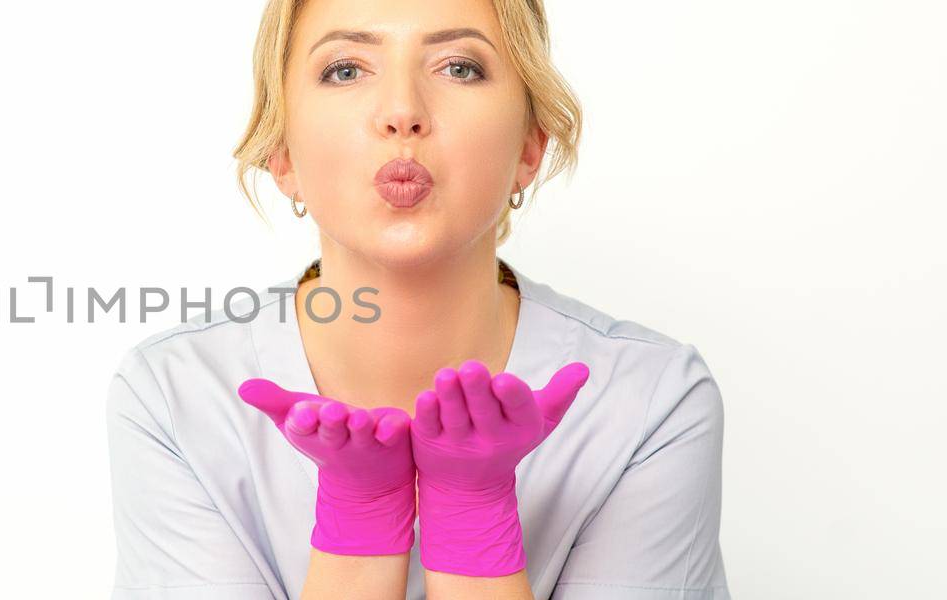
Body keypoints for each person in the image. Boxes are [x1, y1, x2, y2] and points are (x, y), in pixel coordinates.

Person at [104, 0, 730, 598]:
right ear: (284, 154)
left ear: (530, 146)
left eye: (460, 67)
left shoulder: (651, 401)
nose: (403, 112)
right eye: (345, 69)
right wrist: (359, 523)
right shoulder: (173, 395)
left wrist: (471, 515)